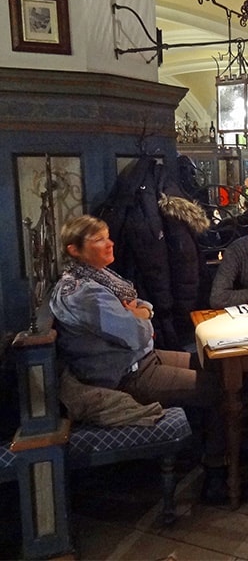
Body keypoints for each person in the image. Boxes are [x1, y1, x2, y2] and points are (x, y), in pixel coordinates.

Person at [49, 215, 227, 502]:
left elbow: (142, 305)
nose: (110, 243)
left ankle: (203, 450)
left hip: (141, 359)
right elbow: (137, 334)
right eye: (99, 240)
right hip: (125, 375)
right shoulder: (83, 293)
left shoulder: (99, 277)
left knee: (213, 363)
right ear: (74, 250)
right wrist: (140, 317)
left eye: (108, 236)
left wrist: (138, 312)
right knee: (220, 389)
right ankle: (216, 474)